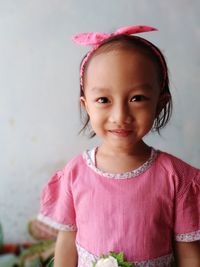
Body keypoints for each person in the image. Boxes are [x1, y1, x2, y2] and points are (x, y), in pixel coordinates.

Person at [37, 25, 200, 267]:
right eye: (103, 100)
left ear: (160, 103)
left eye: (137, 98)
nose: (120, 115)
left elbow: (188, 254)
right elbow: (67, 241)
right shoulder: (75, 173)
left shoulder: (178, 178)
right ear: (86, 105)